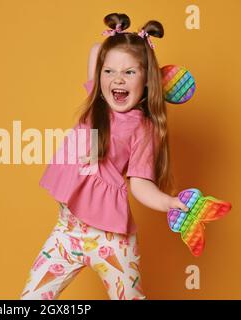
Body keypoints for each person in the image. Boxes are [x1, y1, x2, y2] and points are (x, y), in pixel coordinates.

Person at [20, 12, 189, 300]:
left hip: (111, 240)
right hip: (67, 231)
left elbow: (139, 184)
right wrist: (121, 35)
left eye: (130, 73)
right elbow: (97, 51)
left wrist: (169, 202)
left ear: (147, 80)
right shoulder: (95, 103)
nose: (117, 79)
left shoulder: (143, 128)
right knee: (29, 300)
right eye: (109, 71)